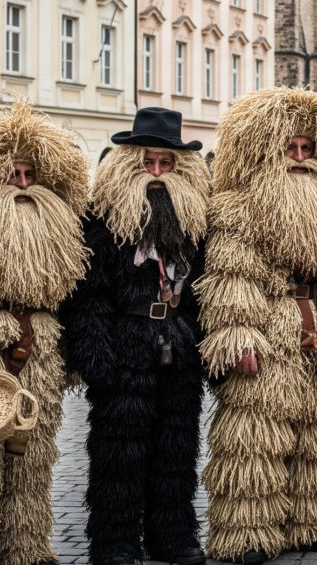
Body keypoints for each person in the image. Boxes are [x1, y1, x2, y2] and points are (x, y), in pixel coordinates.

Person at [197, 88, 317, 564]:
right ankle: (247, 532)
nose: (298, 158)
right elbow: (231, 276)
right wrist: (238, 336)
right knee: (254, 439)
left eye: (307, 149)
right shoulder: (239, 206)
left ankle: (309, 525)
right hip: (269, 335)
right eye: (290, 148)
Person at [62, 107, 210, 565]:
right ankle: (116, 541)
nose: (157, 174)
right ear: (130, 164)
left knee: (176, 447)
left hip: (178, 346)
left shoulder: (193, 227)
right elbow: (86, 295)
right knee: (118, 453)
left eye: (166, 164)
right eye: (148, 163)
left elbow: (205, 289)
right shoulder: (102, 222)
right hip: (125, 345)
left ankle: (172, 535)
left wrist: (204, 345)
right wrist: (95, 355)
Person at [0, 101, 88, 565]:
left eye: (31, 176)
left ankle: (27, 546)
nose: (23, 185)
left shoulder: (62, 232)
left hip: (42, 345)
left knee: (31, 456)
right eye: (14, 175)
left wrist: (73, 352)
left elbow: (74, 294)